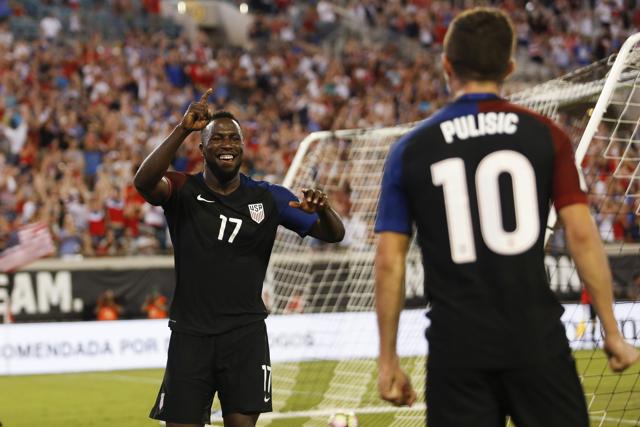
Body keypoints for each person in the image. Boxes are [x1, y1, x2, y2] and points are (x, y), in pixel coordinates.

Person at [373, 7, 639, 427]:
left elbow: (389, 261)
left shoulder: (410, 149)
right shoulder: (545, 135)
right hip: (535, 340)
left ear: (446, 66)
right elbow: (582, 237)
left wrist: (387, 360)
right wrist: (612, 331)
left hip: (455, 349)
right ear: (510, 67)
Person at [134, 88, 344, 427]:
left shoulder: (268, 197)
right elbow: (143, 182)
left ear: (244, 148)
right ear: (202, 149)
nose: (227, 144)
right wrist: (182, 129)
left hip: (245, 336)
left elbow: (333, 234)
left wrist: (325, 209)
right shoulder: (183, 191)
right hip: (191, 336)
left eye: (234, 138)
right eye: (217, 139)